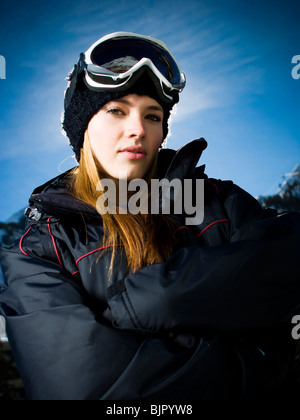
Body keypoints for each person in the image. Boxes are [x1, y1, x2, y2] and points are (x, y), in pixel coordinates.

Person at [0, 31, 300, 401]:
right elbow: (88, 387)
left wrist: (161, 296)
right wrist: (260, 359)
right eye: (116, 110)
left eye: (153, 115)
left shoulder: (217, 200)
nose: (138, 129)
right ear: (83, 128)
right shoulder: (41, 250)